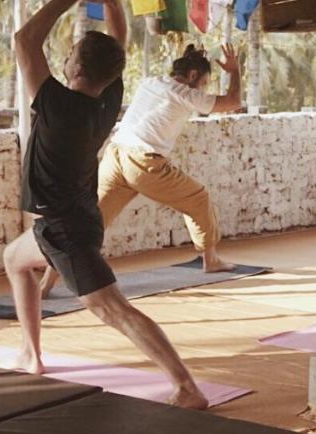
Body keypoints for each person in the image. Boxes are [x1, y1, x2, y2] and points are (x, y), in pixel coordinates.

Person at [2, 0, 207, 410]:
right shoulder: (107, 98)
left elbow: (24, 41)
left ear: (74, 68)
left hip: (66, 228)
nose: (66, 57)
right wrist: (113, 4)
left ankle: (186, 386)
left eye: (71, 54)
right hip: (74, 218)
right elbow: (119, 46)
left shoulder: (58, 105)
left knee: (112, 309)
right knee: (14, 260)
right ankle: (31, 354)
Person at [39, 42, 243, 297]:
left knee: (86, 224)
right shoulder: (185, 93)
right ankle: (210, 260)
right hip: (144, 163)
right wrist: (234, 71)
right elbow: (234, 101)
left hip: (115, 156)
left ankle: (45, 285)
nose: (203, 90)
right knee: (198, 198)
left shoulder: (151, 82)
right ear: (192, 76)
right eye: (203, 83)